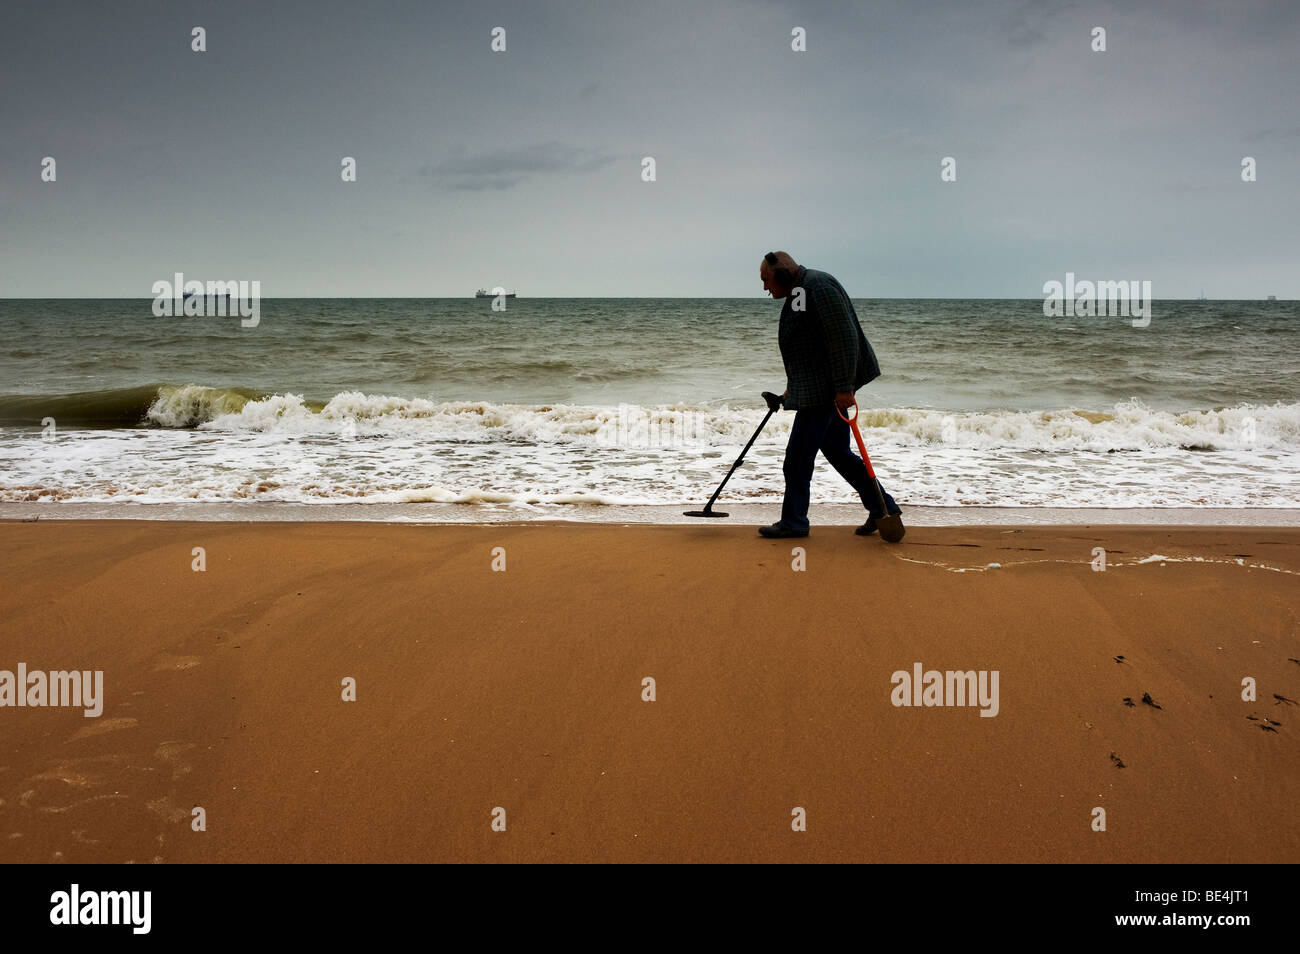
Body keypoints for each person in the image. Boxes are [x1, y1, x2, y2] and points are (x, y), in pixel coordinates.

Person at [757, 251, 903, 539]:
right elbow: (808, 341)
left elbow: (843, 337)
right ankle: (882, 509)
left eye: (767, 280)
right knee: (838, 452)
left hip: (827, 393)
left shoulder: (818, 288)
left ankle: (794, 523)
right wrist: (793, 388)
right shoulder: (801, 290)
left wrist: (845, 388)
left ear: (784, 275)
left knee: (797, 460)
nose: (765, 287)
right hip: (820, 388)